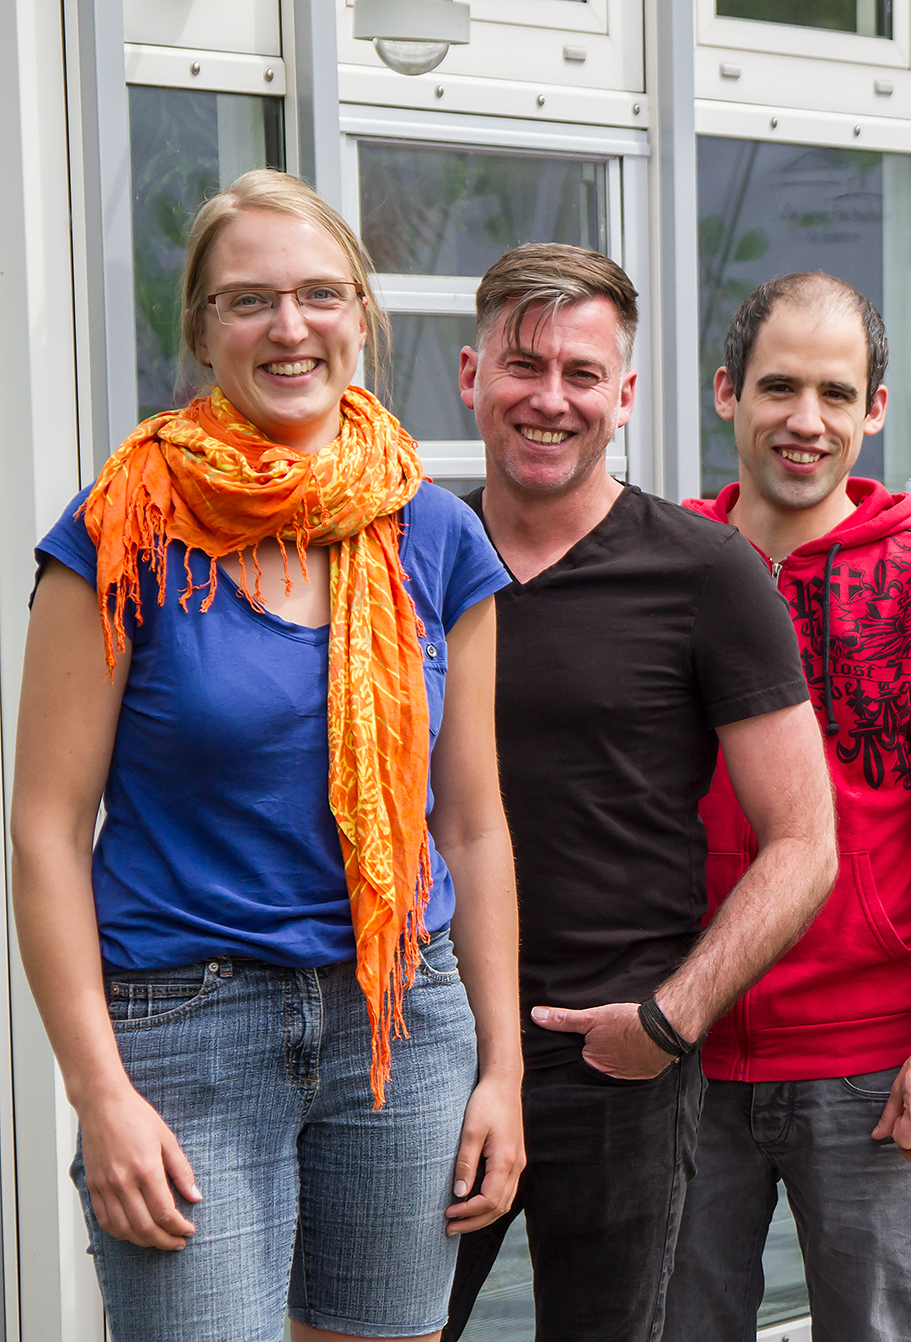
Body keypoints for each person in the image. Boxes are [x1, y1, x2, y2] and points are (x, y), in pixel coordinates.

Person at [10, 169, 524, 1342]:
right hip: (184, 1025)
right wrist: (98, 1091)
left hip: (401, 1023)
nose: (289, 327)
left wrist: (502, 1069)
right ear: (200, 333)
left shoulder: (436, 534)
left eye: (318, 294)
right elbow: (45, 828)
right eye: (248, 301)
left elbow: (473, 824)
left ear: (361, 315)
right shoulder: (121, 530)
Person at [440, 245, 838, 1342]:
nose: (549, 399)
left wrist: (671, 1019)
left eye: (581, 373)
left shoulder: (706, 570)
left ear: (622, 395)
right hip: (428, 1048)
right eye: (523, 365)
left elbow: (805, 838)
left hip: (614, 1061)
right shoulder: (415, 557)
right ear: (471, 375)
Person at [665, 273, 911, 1342]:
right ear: (727, 393)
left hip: (868, 1063)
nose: (806, 420)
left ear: (874, 409)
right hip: (683, 1045)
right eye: (779, 387)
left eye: (835, 393)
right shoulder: (667, 566)